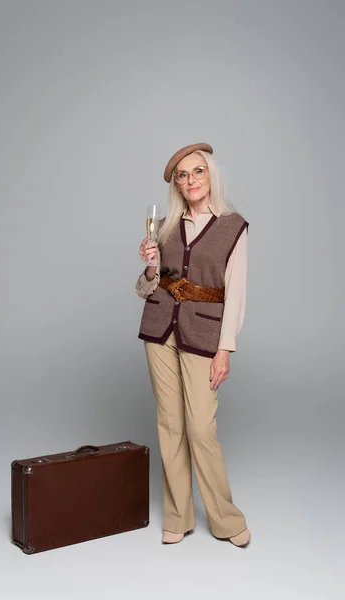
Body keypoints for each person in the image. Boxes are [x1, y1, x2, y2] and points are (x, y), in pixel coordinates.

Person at [135, 142, 251, 547]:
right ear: (177, 185)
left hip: (204, 334)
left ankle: (226, 519)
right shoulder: (165, 226)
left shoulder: (233, 226)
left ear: (210, 174)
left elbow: (234, 293)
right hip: (159, 331)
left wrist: (225, 349)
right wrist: (150, 267)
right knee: (170, 424)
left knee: (201, 428)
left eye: (197, 171)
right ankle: (177, 515)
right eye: (182, 175)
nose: (190, 180)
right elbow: (144, 289)